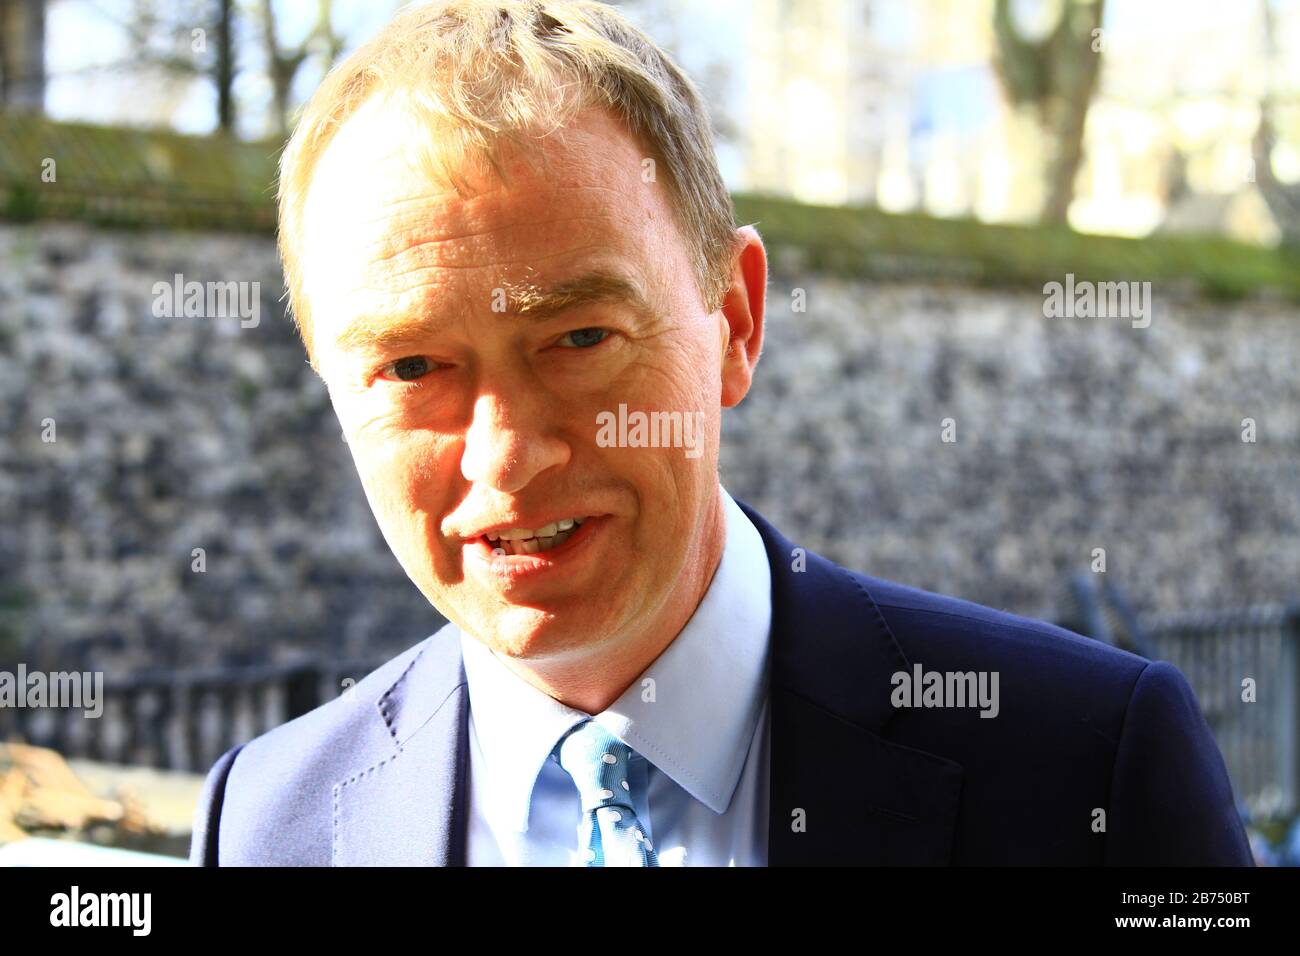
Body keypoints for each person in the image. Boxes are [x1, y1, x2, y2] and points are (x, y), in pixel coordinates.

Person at [190, 0, 1252, 866]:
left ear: (735, 321)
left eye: (579, 336)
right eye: (412, 366)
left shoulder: (1088, 769)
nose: (505, 455)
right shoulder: (266, 822)